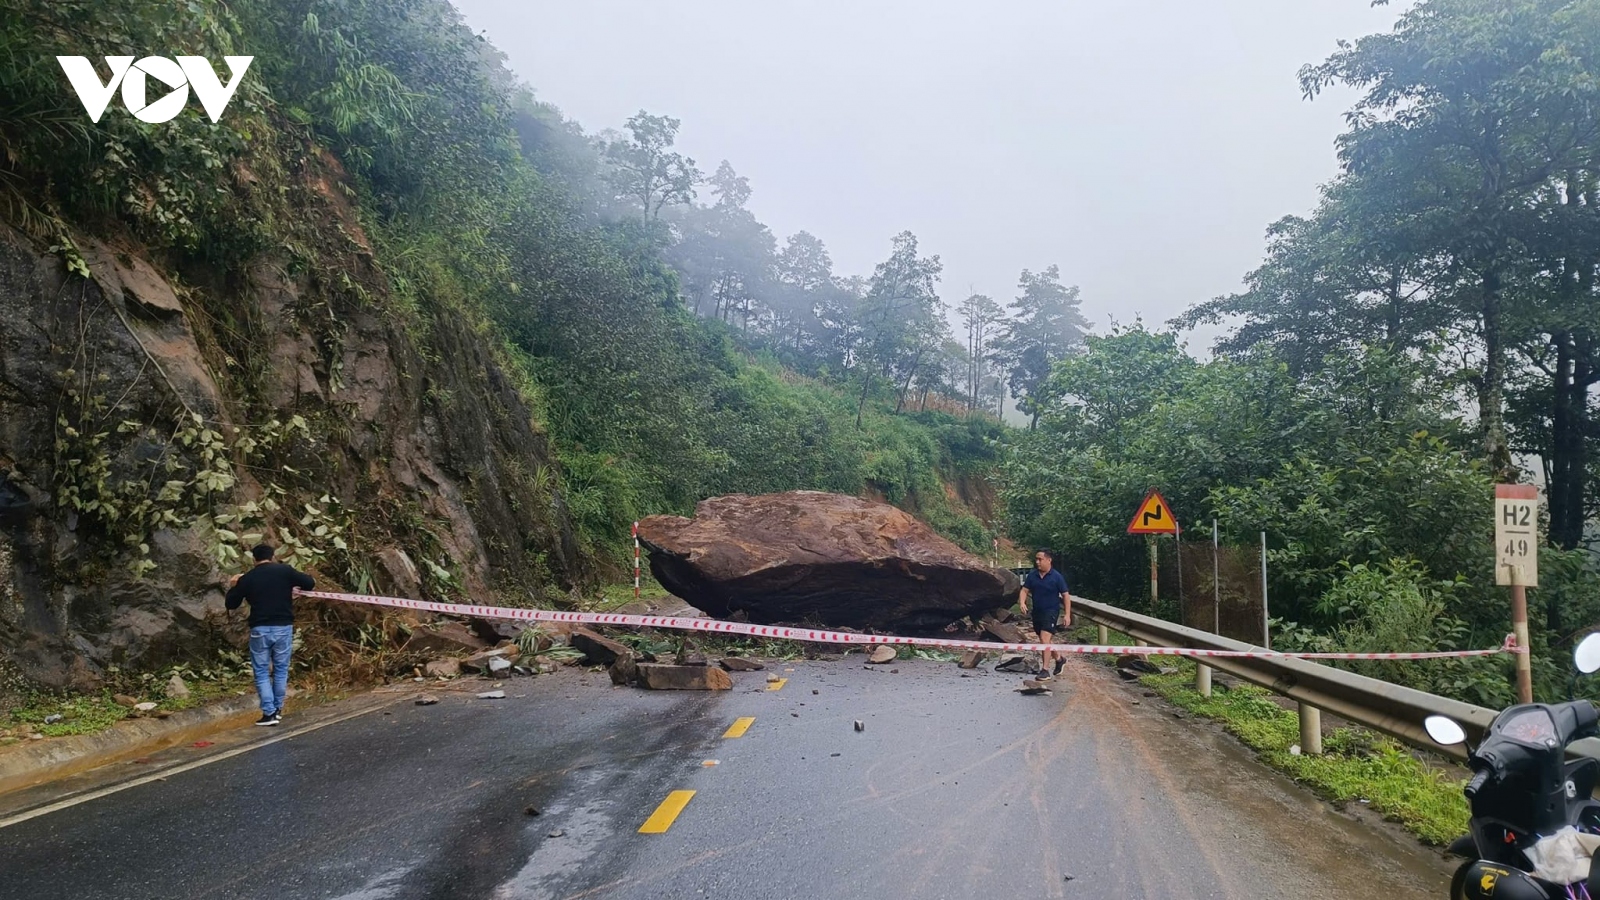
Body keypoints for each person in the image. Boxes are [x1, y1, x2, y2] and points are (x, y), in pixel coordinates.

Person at [225, 544, 314, 726]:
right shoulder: (285, 571)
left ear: (254, 559)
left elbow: (231, 604)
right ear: (272, 556)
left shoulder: (248, 578)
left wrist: (234, 585)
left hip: (260, 629)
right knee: (281, 669)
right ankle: (277, 709)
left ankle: (269, 713)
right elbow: (309, 583)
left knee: (261, 671)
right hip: (283, 627)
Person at [1018, 549, 1072, 679]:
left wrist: (1067, 614)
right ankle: (1059, 659)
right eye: (1036, 559)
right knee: (1045, 640)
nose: (1037, 562)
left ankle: (1045, 670)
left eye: (1040, 559)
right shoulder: (1032, 575)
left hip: (1051, 611)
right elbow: (1024, 590)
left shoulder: (1056, 577)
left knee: (1044, 638)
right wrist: (1022, 603)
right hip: (1037, 611)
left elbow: (1065, 596)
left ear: (1049, 560)